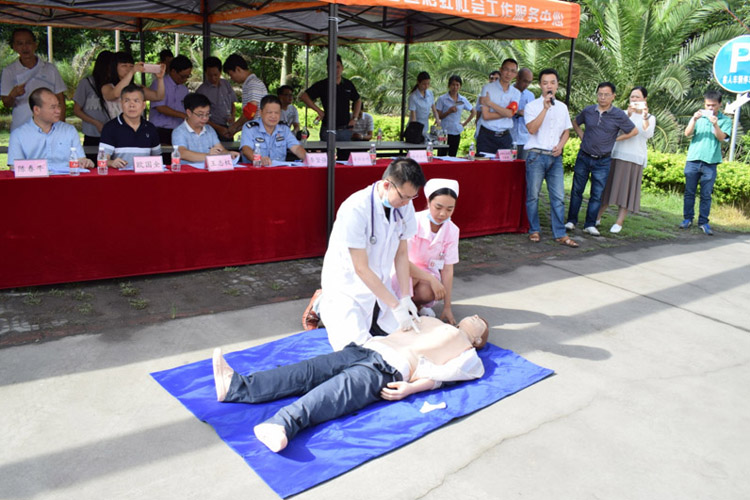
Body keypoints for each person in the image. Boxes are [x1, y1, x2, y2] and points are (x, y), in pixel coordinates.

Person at [212, 314, 489, 452]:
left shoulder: (468, 352)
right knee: (306, 371)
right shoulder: (431, 319)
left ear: (479, 339)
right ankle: (238, 386)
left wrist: (411, 388)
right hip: (369, 349)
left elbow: (446, 376)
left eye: (480, 322)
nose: (475, 317)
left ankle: (282, 424)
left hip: (389, 369)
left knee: (334, 392)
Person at [301, 158, 426, 350]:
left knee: (403, 338)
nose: (407, 203)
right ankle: (321, 302)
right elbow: (360, 268)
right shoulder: (355, 208)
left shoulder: (404, 206)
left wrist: (405, 297)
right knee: (355, 348)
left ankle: (378, 309)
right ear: (387, 185)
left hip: (379, 283)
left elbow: (401, 253)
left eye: (412, 197)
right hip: (347, 285)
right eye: (403, 197)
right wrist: (395, 306)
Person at [566, 82, 638, 235]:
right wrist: (582, 136)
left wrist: (615, 139)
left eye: (606, 94)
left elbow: (633, 131)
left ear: (613, 96)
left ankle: (590, 224)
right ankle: (571, 220)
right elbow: (575, 122)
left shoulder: (618, 114)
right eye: (600, 94)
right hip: (584, 156)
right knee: (577, 190)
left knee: (597, 193)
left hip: (603, 160)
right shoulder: (589, 110)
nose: (602, 97)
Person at [523, 68, 577, 248]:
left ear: (557, 85)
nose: (549, 86)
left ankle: (560, 233)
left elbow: (566, 131)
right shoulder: (532, 106)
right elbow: (532, 129)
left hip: (555, 158)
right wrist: (545, 109)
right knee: (533, 196)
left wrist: (560, 146)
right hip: (536, 156)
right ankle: (534, 230)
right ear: (540, 85)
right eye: (545, 83)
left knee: (558, 197)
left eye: (552, 83)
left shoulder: (562, 107)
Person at [400, 178, 460, 324]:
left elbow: (448, 270)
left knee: (431, 291)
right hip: (403, 271)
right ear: (428, 201)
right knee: (413, 280)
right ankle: (399, 308)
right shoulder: (413, 221)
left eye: (449, 209)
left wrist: (447, 307)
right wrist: (430, 278)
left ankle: (416, 306)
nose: (443, 214)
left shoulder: (452, 230)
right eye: (438, 207)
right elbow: (401, 260)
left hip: (427, 275)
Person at [597, 86, 656, 234]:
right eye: (632, 97)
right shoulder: (622, 114)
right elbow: (615, 131)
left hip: (635, 158)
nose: (634, 99)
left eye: (637, 97)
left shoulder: (650, 118)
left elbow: (648, 134)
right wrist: (628, 116)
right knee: (608, 189)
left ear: (644, 99)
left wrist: (644, 117)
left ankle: (619, 222)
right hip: (617, 155)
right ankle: (597, 217)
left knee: (627, 193)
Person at [679, 90, 732, 236]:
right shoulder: (699, 117)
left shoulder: (725, 120)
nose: (710, 108)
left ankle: (703, 222)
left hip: (711, 162)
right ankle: (687, 219)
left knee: (706, 194)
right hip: (693, 159)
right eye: (708, 105)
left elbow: (721, 138)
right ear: (704, 104)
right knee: (689, 192)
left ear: (720, 105)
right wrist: (694, 119)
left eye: (713, 105)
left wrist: (715, 124)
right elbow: (687, 133)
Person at [7, 87, 93, 173]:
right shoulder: (18, 135)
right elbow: (15, 167)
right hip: (34, 180)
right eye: (53, 107)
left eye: (58, 106)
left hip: (65, 179)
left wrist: (85, 162)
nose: (58, 111)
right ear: (36, 110)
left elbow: (80, 159)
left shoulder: (69, 131)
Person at [1, 28, 66, 132]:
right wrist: (13, 94)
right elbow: (6, 104)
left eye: (28, 43)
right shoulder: (9, 71)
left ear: (35, 45)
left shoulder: (50, 69)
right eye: (20, 43)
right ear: (14, 47)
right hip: (21, 128)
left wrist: (61, 126)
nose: (24, 47)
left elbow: (61, 99)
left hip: (48, 128)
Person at [299, 54, 361, 142]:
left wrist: (354, 118)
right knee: (326, 151)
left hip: (345, 129)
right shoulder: (322, 85)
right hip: (327, 129)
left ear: (342, 68)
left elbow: (358, 100)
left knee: (345, 151)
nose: (336, 70)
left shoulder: (348, 84)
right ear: (328, 69)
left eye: (338, 67)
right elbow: (304, 96)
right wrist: (319, 111)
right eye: (332, 67)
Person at [98, 84, 162, 170]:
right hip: (119, 176)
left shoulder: (150, 128)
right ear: (121, 104)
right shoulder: (110, 128)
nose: (132, 105)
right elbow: (101, 160)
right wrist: (112, 162)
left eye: (136, 101)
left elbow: (157, 158)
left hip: (145, 176)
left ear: (143, 105)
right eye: (127, 101)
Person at [172, 93, 240, 168]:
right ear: (189, 113)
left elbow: (220, 149)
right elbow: (182, 153)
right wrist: (208, 156)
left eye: (207, 114)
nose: (205, 118)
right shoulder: (179, 132)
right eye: (200, 114)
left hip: (210, 170)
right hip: (189, 172)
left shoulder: (209, 129)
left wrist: (228, 154)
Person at [240, 95, 306, 165]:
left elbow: (296, 148)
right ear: (261, 112)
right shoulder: (250, 128)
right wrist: (259, 159)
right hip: (256, 169)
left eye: (276, 113)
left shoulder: (284, 129)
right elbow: (246, 149)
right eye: (269, 112)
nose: (273, 116)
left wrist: (308, 158)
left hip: (279, 170)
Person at [101, 51, 165, 119]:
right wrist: (132, 72)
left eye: (131, 66)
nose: (128, 69)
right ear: (114, 67)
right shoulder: (107, 87)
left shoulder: (137, 88)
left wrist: (160, 78)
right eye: (124, 66)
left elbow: (159, 97)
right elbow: (116, 94)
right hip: (116, 125)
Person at [72, 50, 114, 155]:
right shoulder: (86, 83)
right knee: (92, 161)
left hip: (112, 134)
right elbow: (77, 110)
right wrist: (96, 123)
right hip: (92, 134)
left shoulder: (115, 85)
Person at [476, 58, 521, 154]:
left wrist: (490, 103)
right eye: (506, 69)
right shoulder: (487, 88)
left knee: (505, 164)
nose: (509, 74)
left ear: (516, 74)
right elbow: (486, 116)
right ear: (500, 69)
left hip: (505, 137)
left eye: (512, 71)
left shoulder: (516, 93)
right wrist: (507, 113)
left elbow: (510, 114)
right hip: (486, 136)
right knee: (483, 163)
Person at [149, 54, 193, 144]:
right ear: (173, 71)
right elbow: (160, 107)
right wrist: (183, 115)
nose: (185, 79)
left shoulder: (184, 89)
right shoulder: (159, 83)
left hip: (179, 130)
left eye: (187, 76)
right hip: (160, 130)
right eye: (182, 76)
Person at [223, 53, 268, 136]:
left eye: (231, 74)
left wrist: (235, 125)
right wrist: (236, 130)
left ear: (238, 69)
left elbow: (251, 111)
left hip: (259, 134)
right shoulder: (250, 84)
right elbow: (250, 116)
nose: (231, 78)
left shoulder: (253, 83)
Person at [196, 56, 237, 142]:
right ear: (205, 73)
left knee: (229, 149)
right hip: (210, 128)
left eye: (215, 75)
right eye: (209, 75)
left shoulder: (226, 84)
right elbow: (199, 116)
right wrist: (218, 128)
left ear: (220, 72)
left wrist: (233, 116)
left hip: (228, 126)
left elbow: (232, 103)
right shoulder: (201, 91)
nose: (213, 78)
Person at [435, 75, 475, 157]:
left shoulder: (462, 99)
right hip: (444, 132)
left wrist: (464, 124)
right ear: (449, 85)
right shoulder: (442, 99)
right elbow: (438, 116)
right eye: (453, 84)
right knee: (441, 156)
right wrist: (448, 112)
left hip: (456, 131)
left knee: (453, 156)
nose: (455, 87)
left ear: (460, 86)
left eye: (457, 85)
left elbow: (473, 111)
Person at [407, 71, 441, 142]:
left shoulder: (430, 93)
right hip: (415, 129)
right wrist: (416, 131)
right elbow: (413, 117)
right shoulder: (413, 97)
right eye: (424, 84)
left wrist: (437, 120)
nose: (426, 86)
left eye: (428, 83)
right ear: (418, 82)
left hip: (425, 127)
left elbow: (434, 110)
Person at [511, 68, 535, 160]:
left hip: (525, 139)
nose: (526, 85)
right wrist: (516, 112)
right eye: (525, 81)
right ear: (517, 78)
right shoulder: (507, 92)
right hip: (509, 137)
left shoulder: (530, 95)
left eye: (529, 82)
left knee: (523, 166)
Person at [475, 70, 501, 137]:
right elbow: (478, 113)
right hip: (483, 130)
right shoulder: (481, 96)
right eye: (492, 78)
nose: (493, 80)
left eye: (496, 79)